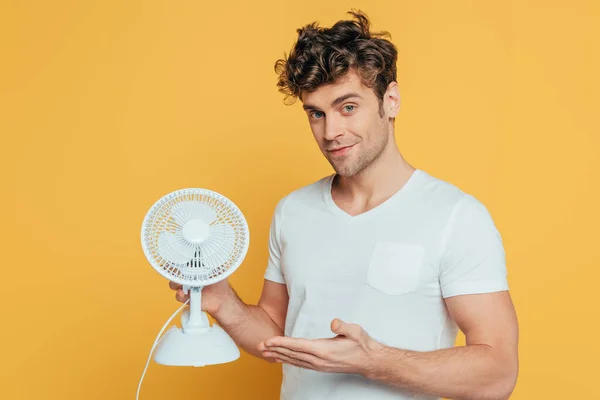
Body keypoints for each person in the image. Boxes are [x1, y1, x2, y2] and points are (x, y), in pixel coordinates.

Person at [170, 10, 518, 400]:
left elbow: (498, 374)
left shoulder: (456, 216)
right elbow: (275, 333)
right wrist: (222, 301)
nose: (330, 132)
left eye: (347, 107)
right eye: (316, 114)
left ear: (391, 101)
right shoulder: (293, 211)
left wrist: (372, 360)